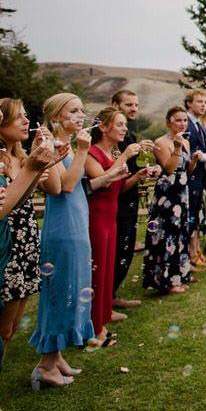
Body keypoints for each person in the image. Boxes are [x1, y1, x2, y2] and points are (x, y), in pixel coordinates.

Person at [29, 94, 123, 388]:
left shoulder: (66, 146)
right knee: (60, 294)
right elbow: (64, 187)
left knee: (71, 291)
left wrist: (110, 175)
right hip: (62, 231)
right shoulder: (47, 145)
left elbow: (83, 186)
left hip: (77, 226)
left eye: (83, 109)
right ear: (57, 116)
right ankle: (45, 364)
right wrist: (82, 150)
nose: (81, 115)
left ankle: (56, 358)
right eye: (74, 110)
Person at [0, 102, 61, 371]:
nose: (26, 121)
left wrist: (43, 165)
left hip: (26, 241)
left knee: (11, 327)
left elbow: (52, 189)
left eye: (27, 116)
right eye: (19, 117)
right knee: (2, 328)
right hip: (8, 242)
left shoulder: (22, 157)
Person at [84, 107, 150, 348]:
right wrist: (124, 158)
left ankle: (102, 319)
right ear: (103, 127)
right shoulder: (91, 154)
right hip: (96, 217)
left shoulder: (111, 151)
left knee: (107, 269)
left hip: (111, 216)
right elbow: (100, 181)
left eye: (125, 124)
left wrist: (137, 176)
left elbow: (118, 188)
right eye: (120, 124)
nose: (125, 129)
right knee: (96, 272)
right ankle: (93, 327)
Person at [143, 107, 197, 294]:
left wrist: (195, 160)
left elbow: (187, 170)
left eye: (185, 120)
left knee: (182, 232)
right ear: (168, 122)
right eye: (178, 120)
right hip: (168, 194)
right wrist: (176, 147)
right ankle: (165, 279)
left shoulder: (186, 142)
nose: (182, 123)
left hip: (182, 192)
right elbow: (169, 168)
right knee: (168, 234)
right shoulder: (161, 142)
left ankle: (180, 273)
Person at [110, 89, 145, 313]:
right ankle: (107, 298)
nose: (133, 109)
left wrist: (145, 171)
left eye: (136, 105)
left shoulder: (129, 138)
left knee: (126, 248)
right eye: (128, 105)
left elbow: (131, 171)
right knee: (117, 249)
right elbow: (118, 177)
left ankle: (113, 295)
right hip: (116, 202)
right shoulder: (113, 140)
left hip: (130, 199)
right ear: (115, 105)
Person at [184, 89, 206, 270]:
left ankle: (195, 252)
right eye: (199, 101)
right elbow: (187, 150)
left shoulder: (198, 123)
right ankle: (190, 254)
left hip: (200, 176)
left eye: (205, 102)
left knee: (196, 215)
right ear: (189, 103)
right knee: (190, 215)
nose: (204, 105)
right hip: (191, 176)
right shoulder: (186, 123)